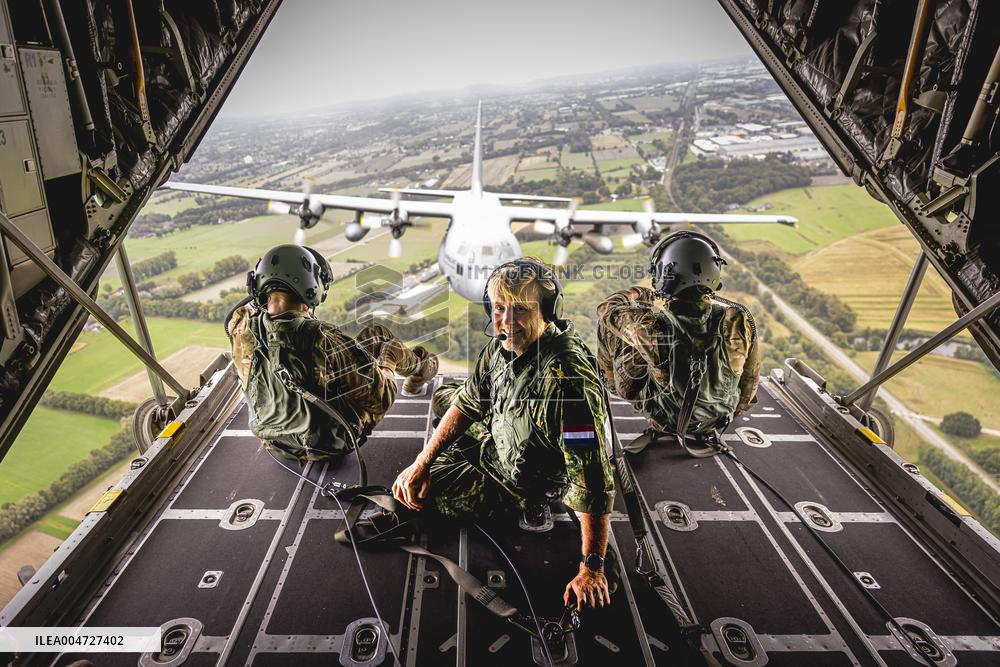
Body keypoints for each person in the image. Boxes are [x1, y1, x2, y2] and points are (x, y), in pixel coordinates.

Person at [392, 259, 617, 611]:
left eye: (521, 310)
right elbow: (469, 401)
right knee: (444, 398)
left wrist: (592, 567)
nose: (506, 322)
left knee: (415, 498)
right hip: (503, 429)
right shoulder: (502, 346)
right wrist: (422, 460)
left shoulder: (566, 386)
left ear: (547, 312)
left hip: (520, 477)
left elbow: (591, 482)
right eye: (499, 308)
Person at [227, 244, 438, 460]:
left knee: (366, 342)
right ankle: (420, 370)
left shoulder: (241, 329)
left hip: (275, 443)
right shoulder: (321, 337)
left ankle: (417, 370)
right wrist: (388, 363)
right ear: (310, 284)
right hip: (329, 444)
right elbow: (380, 400)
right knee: (381, 338)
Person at [596, 231, 760, 457]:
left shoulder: (651, 325)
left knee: (608, 326)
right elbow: (749, 383)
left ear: (665, 274)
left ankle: (611, 384)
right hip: (718, 418)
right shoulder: (737, 320)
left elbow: (607, 309)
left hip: (664, 419)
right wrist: (731, 408)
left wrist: (638, 294)